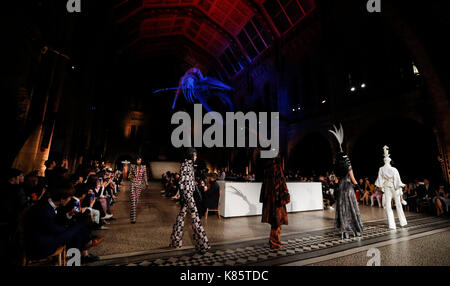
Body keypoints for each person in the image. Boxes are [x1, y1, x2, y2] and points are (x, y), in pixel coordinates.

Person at [24, 179, 103, 264]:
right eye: (69, 197)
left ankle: (79, 258)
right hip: (42, 246)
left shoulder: (48, 203)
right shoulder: (44, 211)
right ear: (62, 199)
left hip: (48, 235)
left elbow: (57, 221)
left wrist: (69, 215)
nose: (70, 199)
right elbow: (55, 229)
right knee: (79, 226)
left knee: (77, 230)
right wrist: (71, 227)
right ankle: (86, 245)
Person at [169, 148, 210, 253]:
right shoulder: (186, 165)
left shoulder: (188, 165)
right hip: (188, 195)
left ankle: (175, 241)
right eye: (195, 155)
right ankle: (202, 245)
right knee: (195, 218)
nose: (196, 157)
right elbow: (182, 181)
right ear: (191, 155)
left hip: (188, 193)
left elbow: (184, 181)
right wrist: (182, 194)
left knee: (181, 217)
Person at [329, 124, 363, 238]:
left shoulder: (336, 167)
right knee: (351, 209)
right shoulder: (348, 164)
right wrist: (359, 188)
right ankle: (355, 230)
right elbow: (353, 179)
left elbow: (337, 179)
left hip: (340, 189)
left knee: (342, 210)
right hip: (348, 188)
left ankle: (344, 232)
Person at [259, 157, 290, 249]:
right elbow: (281, 181)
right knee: (277, 221)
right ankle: (275, 242)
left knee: (274, 221)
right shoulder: (277, 168)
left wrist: (263, 198)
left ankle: (273, 240)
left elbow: (264, 185)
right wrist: (285, 195)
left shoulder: (267, 169)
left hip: (269, 200)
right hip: (277, 200)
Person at [375, 146, 407, 230]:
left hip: (386, 187)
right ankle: (402, 222)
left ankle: (392, 225)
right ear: (389, 161)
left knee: (388, 206)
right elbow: (397, 180)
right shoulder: (394, 169)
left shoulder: (381, 169)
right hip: (394, 186)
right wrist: (399, 190)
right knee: (398, 204)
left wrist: (381, 187)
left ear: (384, 161)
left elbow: (379, 180)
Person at [128, 155, 148, 223]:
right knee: (133, 200)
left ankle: (132, 212)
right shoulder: (132, 166)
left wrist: (146, 183)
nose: (139, 161)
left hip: (139, 185)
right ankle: (133, 218)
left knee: (136, 200)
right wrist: (131, 177)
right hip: (133, 184)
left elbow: (145, 175)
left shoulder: (144, 167)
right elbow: (129, 175)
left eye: (140, 160)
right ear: (136, 160)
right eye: (138, 160)